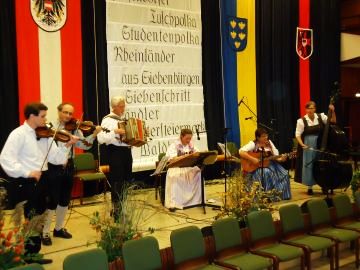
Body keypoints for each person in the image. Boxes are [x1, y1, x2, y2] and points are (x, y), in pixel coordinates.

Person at [0, 102, 77, 264]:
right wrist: (26, 172)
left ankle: (34, 255)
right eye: (42, 116)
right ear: (32, 116)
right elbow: (6, 159)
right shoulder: (18, 134)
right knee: (29, 220)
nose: (45, 119)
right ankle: (26, 257)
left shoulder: (45, 135)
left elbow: (56, 158)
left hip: (42, 181)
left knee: (39, 218)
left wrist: (67, 146)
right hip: (25, 182)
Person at [41, 103, 102, 246]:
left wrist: (93, 134)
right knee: (52, 201)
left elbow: (84, 145)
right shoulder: (50, 128)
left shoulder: (74, 129)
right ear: (59, 111)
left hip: (69, 167)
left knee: (64, 200)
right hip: (54, 168)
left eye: (70, 113)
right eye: (65, 112)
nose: (68, 116)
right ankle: (44, 232)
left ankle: (59, 228)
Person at [97, 96, 132, 221]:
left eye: (124, 105)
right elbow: (101, 138)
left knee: (125, 182)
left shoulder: (123, 119)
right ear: (115, 107)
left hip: (126, 153)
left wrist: (134, 140)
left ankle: (122, 208)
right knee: (117, 182)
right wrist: (115, 132)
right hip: (115, 153)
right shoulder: (107, 120)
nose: (124, 108)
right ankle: (117, 212)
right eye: (122, 106)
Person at [295, 101, 336, 195]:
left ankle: (323, 185)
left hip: (321, 144)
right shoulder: (301, 121)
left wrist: (333, 111)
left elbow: (333, 121)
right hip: (308, 145)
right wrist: (302, 144)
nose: (310, 110)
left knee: (322, 164)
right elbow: (297, 135)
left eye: (312, 108)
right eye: (308, 108)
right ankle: (310, 187)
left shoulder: (321, 117)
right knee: (310, 165)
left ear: (315, 109)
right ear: (306, 109)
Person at [239, 128, 291, 200]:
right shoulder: (253, 143)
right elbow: (241, 152)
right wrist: (253, 159)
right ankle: (266, 198)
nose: (266, 137)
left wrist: (281, 159)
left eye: (266, 135)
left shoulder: (269, 142)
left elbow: (275, 156)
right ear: (258, 137)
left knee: (284, 174)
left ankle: (281, 195)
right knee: (267, 173)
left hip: (271, 164)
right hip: (257, 167)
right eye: (263, 136)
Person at [165, 128, 202, 211]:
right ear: (181, 136)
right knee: (175, 175)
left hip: (188, 167)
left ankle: (196, 201)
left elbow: (198, 154)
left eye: (190, 138)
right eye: (187, 138)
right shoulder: (174, 145)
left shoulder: (191, 145)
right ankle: (174, 204)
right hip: (176, 168)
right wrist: (185, 156)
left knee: (198, 173)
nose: (189, 140)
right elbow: (172, 159)